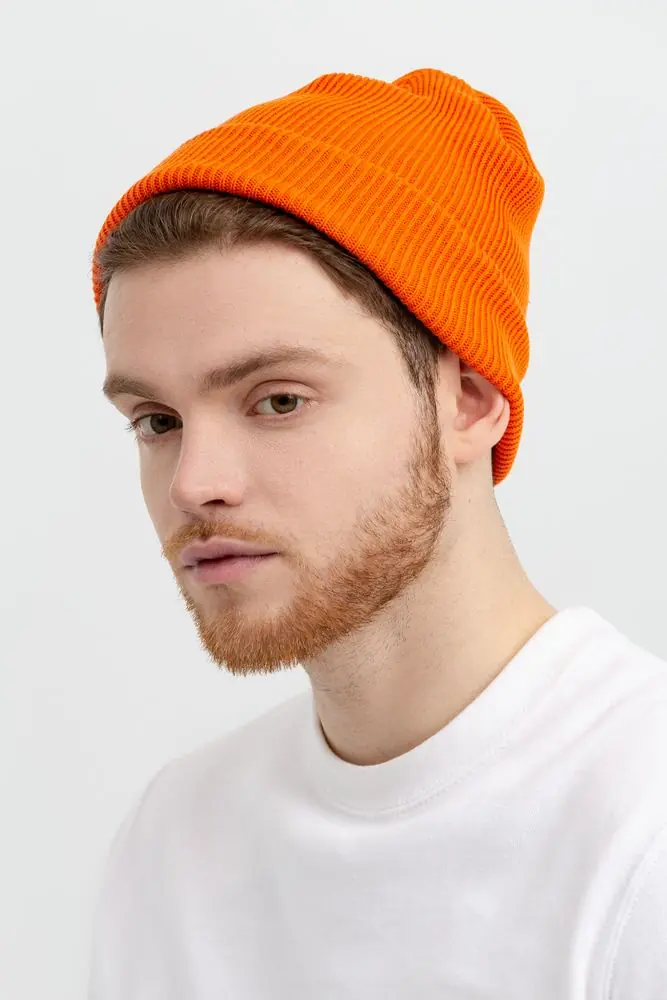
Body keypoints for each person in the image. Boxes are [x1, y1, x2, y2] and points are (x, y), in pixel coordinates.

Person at [87, 69, 667, 999]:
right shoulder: (174, 842)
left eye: (278, 400)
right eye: (157, 420)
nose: (193, 482)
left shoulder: (639, 831)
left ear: (468, 400)